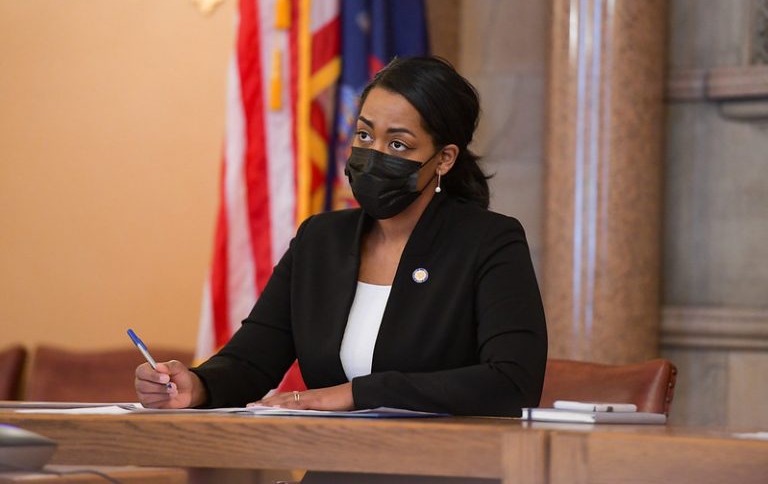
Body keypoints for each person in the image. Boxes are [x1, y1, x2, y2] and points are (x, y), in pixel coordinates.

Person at [135, 56, 548, 417]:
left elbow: (511, 382)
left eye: (398, 144)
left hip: (441, 471)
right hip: (338, 465)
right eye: (365, 135)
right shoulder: (320, 242)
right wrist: (196, 385)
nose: (373, 153)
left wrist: (355, 395)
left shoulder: (489, 242)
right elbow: (251, 361)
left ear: (444, 158)